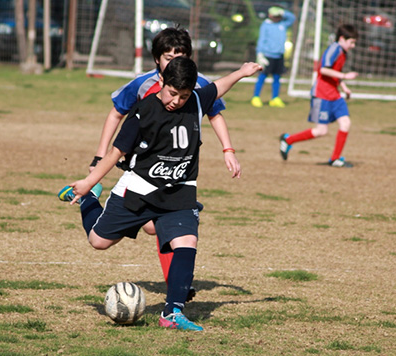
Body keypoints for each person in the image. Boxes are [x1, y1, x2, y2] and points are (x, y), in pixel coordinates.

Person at [66, 57, 262, 331]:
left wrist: (242, 72)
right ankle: (89, 199)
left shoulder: (195, 100)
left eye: (183, 95)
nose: (176, 101)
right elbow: (117, 152)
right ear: (161, 82)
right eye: (172, 93)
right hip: (139, 190)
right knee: (98, 241)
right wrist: (89, 182)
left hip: (179, 191)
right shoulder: (142, 111)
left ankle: (172, 313)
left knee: (187, 242)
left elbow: (218, 87)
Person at [58, 27, 239, 301]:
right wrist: (97, 162)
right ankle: (90, 200)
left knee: (165, 228)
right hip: (140, 168)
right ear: (157, 59)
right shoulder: (144, 90)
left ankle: (175, 296)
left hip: (174, 178)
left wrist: (228, 148)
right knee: (101, 240)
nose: (174, 60)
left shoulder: (195, 86)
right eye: (169, 56)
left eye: (181, 54)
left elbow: (215, 104)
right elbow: (116, 121)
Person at [279, 24, 358, 168]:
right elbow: (324, 70)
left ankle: (335, 159)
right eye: (351, 42)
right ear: (342, 38)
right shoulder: (334, 49)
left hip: (334, 94)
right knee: (321, 131)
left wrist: (344, 86)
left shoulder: (343, 52)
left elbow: (334, 72)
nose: (353, 45)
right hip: (322, 95)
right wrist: (345, 76)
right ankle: (288, 140)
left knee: (346, 123)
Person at [250, 6, 295, 108]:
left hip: (279, 56)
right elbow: (262, 40)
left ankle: (275, 98)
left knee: (277, 78)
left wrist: (283, 12)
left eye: (279, 16)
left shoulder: (282, 24)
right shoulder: (265, 25)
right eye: (275, 16)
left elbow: (292, 18)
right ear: (270, 15)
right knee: (262, 77)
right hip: (267, 56)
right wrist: (260, 54)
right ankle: (256, 97)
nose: (277, 18)